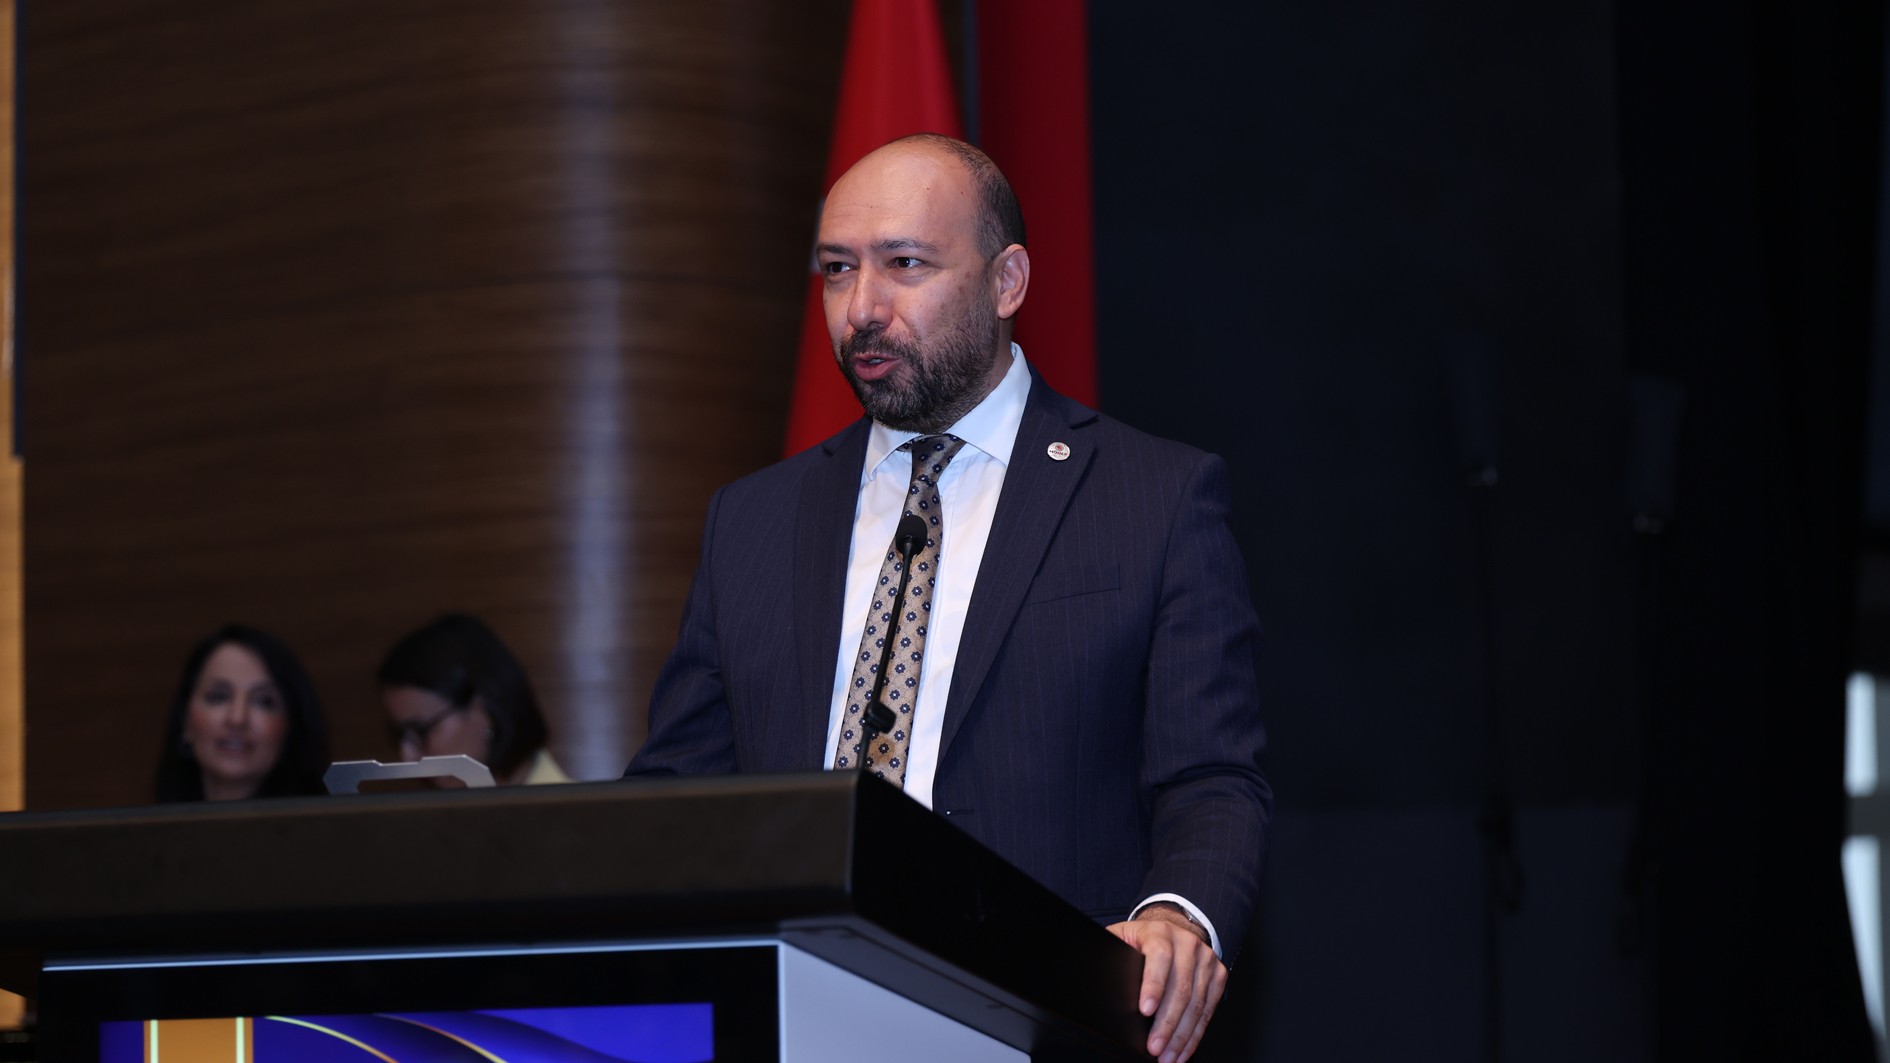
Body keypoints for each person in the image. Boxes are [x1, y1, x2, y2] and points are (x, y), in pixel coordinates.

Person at [626, 134, 1270, 1063]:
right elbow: (677, 798)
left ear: (1007, 282)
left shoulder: (1153, 499)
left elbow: (1210, 774)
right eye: (838, 269)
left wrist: (1178, 914)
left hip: (1045, 1018)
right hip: (791, 1021)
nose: (862, 308)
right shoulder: (752, 520)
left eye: (905, 264)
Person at [378, 613, 570, 785]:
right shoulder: (444, 809)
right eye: (399, 735)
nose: (407, 757)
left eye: (421, 730)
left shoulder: (573, 812)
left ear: (484, 708)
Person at [154, 623, 332, 802]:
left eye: (263, 701)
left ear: (292, 726)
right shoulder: (149, 819)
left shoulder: (329, 820)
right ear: (185, 720)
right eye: (219, 697)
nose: (237, 718)